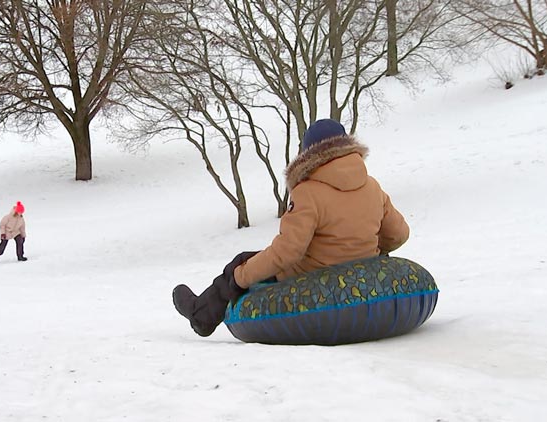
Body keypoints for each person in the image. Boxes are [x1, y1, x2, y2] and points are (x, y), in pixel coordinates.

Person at [172, 119, 410, 337]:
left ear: (310, 152)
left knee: (241, 263)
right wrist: (367, 252)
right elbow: (399, 234)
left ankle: (200, 316)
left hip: (311, 274)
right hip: (362, 269)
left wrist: (241, 276)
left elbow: (288, 252)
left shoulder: (308, 191)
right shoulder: (372, 187)